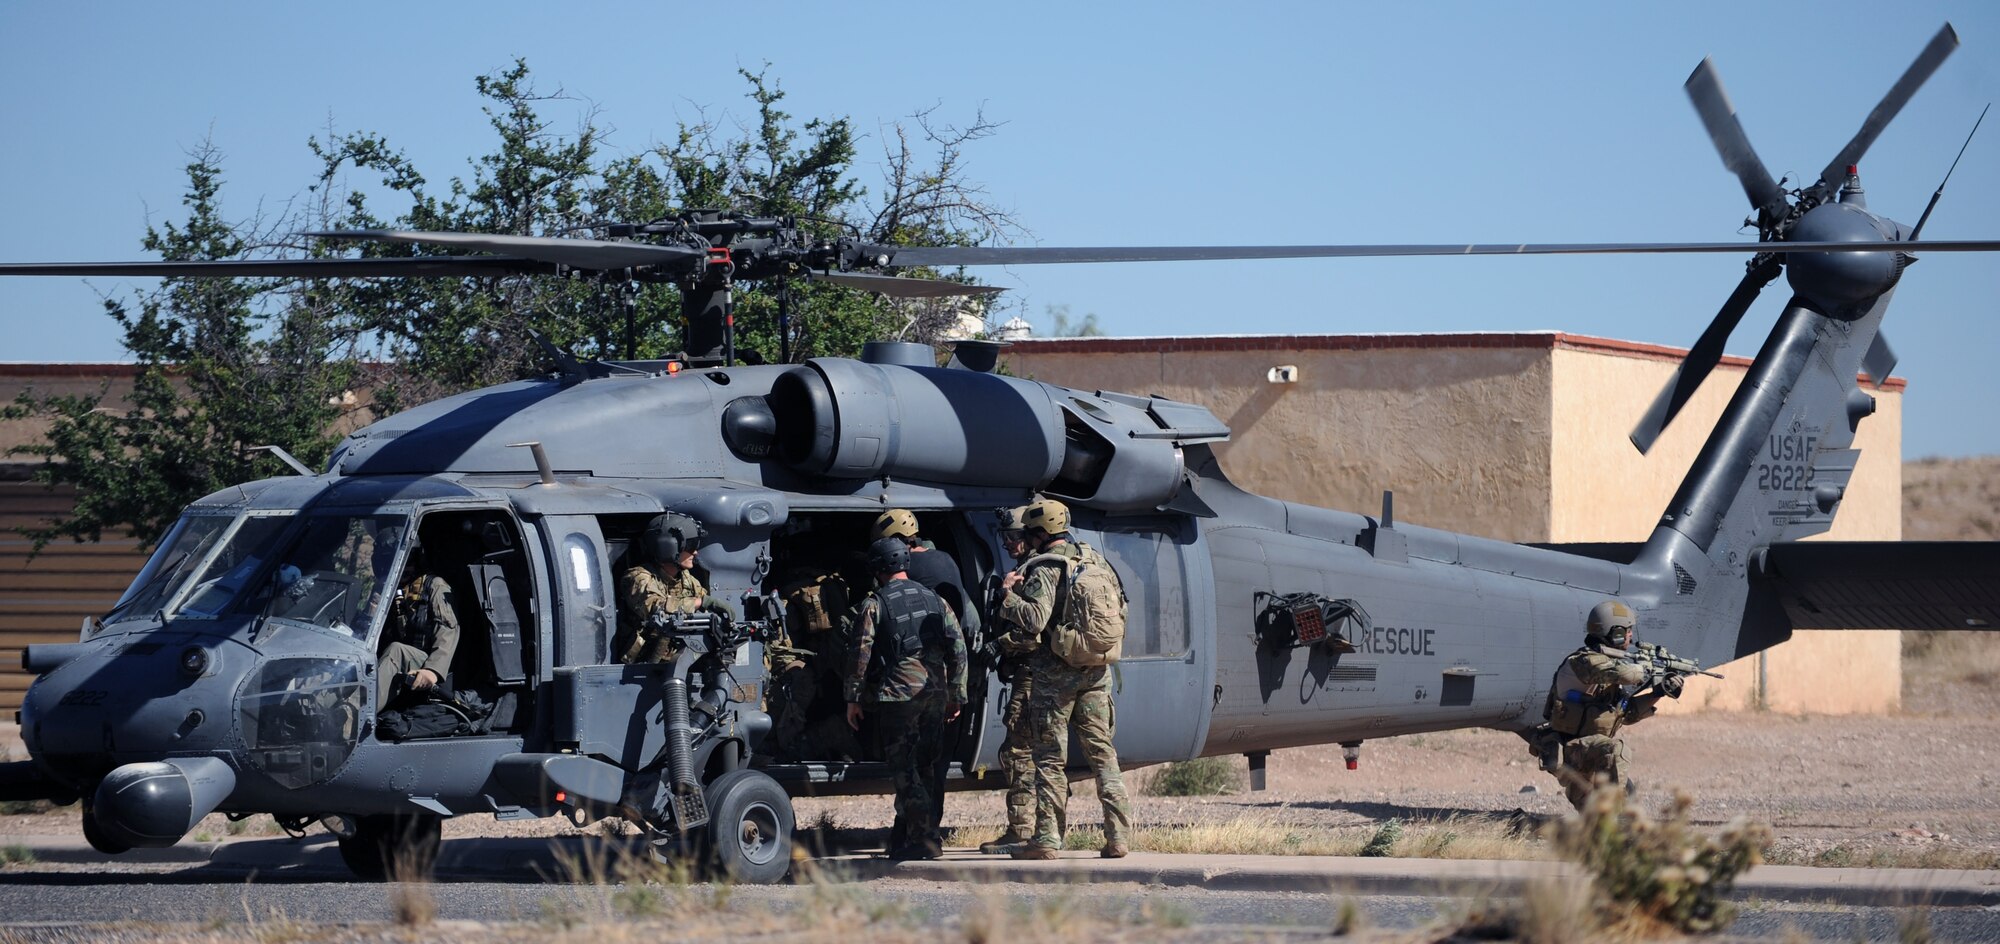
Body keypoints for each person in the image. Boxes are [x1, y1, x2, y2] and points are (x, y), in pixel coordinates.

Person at [996, 498, 1132, 860]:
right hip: (1096, 671)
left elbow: (1035, 619)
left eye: (1029, 533)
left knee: (1050, 759)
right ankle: (1118, 836)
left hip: (1055, 678)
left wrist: (1007, 596)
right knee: (1103, 755)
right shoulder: (1093, 559)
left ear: (1040, 533)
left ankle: (1047, 839)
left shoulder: (1044, 568)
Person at [844, 536, 967, 860]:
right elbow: (958, 648)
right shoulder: (936, 600)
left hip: (900, 697)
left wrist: (853, 698)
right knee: (925, 768)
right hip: (935, 694)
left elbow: (860, 654)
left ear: (878, 568)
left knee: (905, 771)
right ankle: (908, 839)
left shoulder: (875, 604)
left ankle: (926, 840)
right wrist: (955, 694)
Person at [978, 505, 1064, 855]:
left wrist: (998, 644)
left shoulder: (1035, 573)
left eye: (1015, 537)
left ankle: (1023, 830)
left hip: (1032, 674)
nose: (1010, 544)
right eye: (1006, 538)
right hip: (1034, 674)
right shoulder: (1031, 570)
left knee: (1018, 753)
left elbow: (1033, 632)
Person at [1542, 600, 1671, 809]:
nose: (1630, 636)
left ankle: (1526, 825)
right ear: (1615, 633)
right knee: (1616, 749)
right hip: (1573, 751)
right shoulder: (1582, 662)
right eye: (1627, 631)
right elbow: (1624, 673)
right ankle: (1616, 823)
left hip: (1591, 755)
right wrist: (1647, 668)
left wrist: (1659, 692)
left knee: (1604, 816)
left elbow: (1626, 713)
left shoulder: (1608, 668)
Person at [614, 514, 718, 666]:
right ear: (668, 548)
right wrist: (700, 602)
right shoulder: (638, 578)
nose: (695, 552)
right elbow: (657, 608)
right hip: (639, 665)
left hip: (675, 662)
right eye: (690, 546)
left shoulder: (687, 580)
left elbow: (706, 606)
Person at [375, 543, 462, 707]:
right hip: (403, 660)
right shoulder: (389, 589)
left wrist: (432, 670)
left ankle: (350, 716)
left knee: (397, 650)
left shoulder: (434, 585)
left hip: (426, 660)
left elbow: (448, 629)